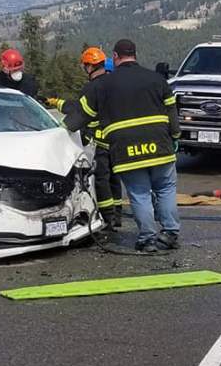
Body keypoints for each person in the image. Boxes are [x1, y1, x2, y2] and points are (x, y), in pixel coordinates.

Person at [74, 39, 181, 252]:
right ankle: (170, 233)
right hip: (160, 146)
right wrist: (175, 136)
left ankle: (148, 239)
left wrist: (61, 128)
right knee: (166, 188)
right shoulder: (157, 79)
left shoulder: (105, 85)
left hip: (127, 150)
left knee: (140, 193)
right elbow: (171, 111)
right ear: (135, 54)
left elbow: (82, 114)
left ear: (114, 57)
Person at [49, 47, 124, 232]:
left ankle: (107, 217)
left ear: (89, 66)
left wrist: (63, 128)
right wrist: (58, 103)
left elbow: (81, 112)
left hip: (100, 142)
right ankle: (117, 214)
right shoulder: (113, 83)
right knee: (115, 179)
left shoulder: (92, 87)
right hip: (117, 140)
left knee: (101, 179)